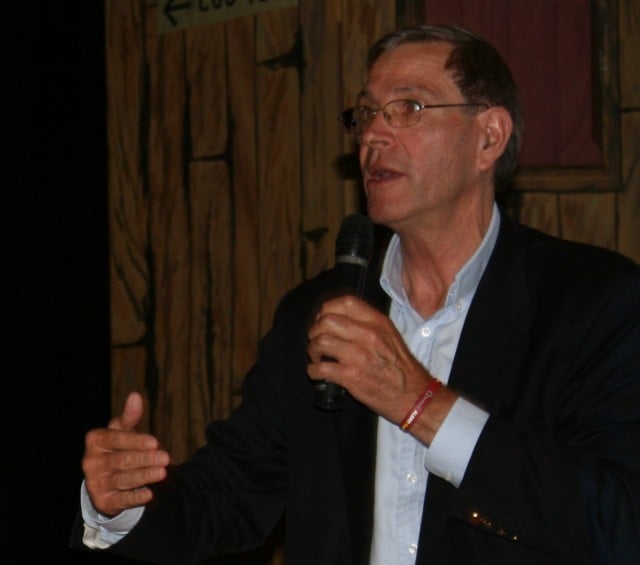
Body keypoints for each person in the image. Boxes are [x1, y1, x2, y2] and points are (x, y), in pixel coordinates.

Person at [70, 24, 640, 564]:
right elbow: (227, 497)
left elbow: (619, 522)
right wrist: (121, 503)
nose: (372, 134)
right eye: (366, 112)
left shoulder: (593, 305)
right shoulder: (318, 313)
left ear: (488, 137)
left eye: (408, 108)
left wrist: (420, 404)